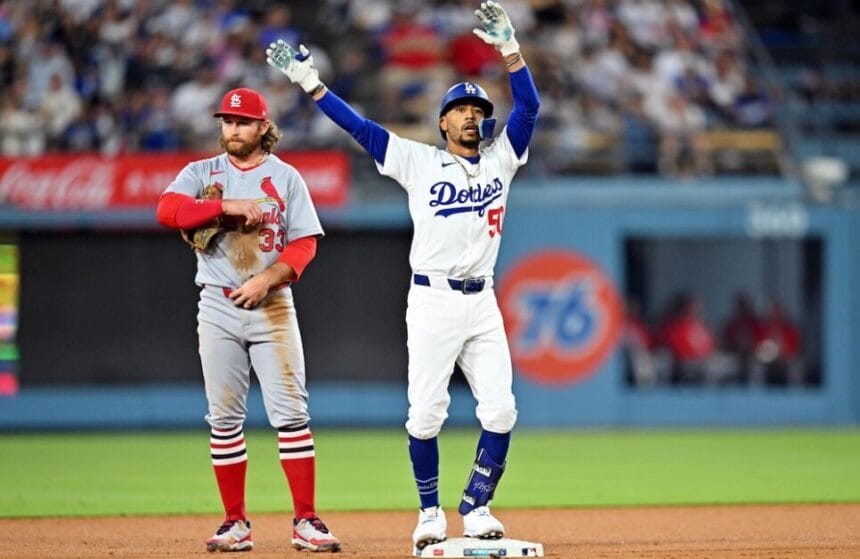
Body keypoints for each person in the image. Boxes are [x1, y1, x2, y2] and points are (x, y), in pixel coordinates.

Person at [266, 1, 539, 553]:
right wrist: (312, 85)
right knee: (425, 415)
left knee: (502, 410)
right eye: (459, 109)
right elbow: (361, 129)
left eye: (477, 109)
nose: (470, 115)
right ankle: (429, 512)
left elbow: (529, 106)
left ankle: (477, 506)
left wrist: (510, 51)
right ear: (443, 122)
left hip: (482, 302)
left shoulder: (502, 159)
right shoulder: (419, 161)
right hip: (433, 301)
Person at [155, 87, 340, 553]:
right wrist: (224, 206)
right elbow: (166, 211)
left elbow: (305, 244)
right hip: (216, 304)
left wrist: (268, 280)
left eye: (242, 122)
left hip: (272, 303)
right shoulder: (202, 173)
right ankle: (235, 524)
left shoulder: (286, 177)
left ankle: (306, 521)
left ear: (263, 127)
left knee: (292, 415)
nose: (233, 129)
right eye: (227, 121)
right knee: (223, 419)